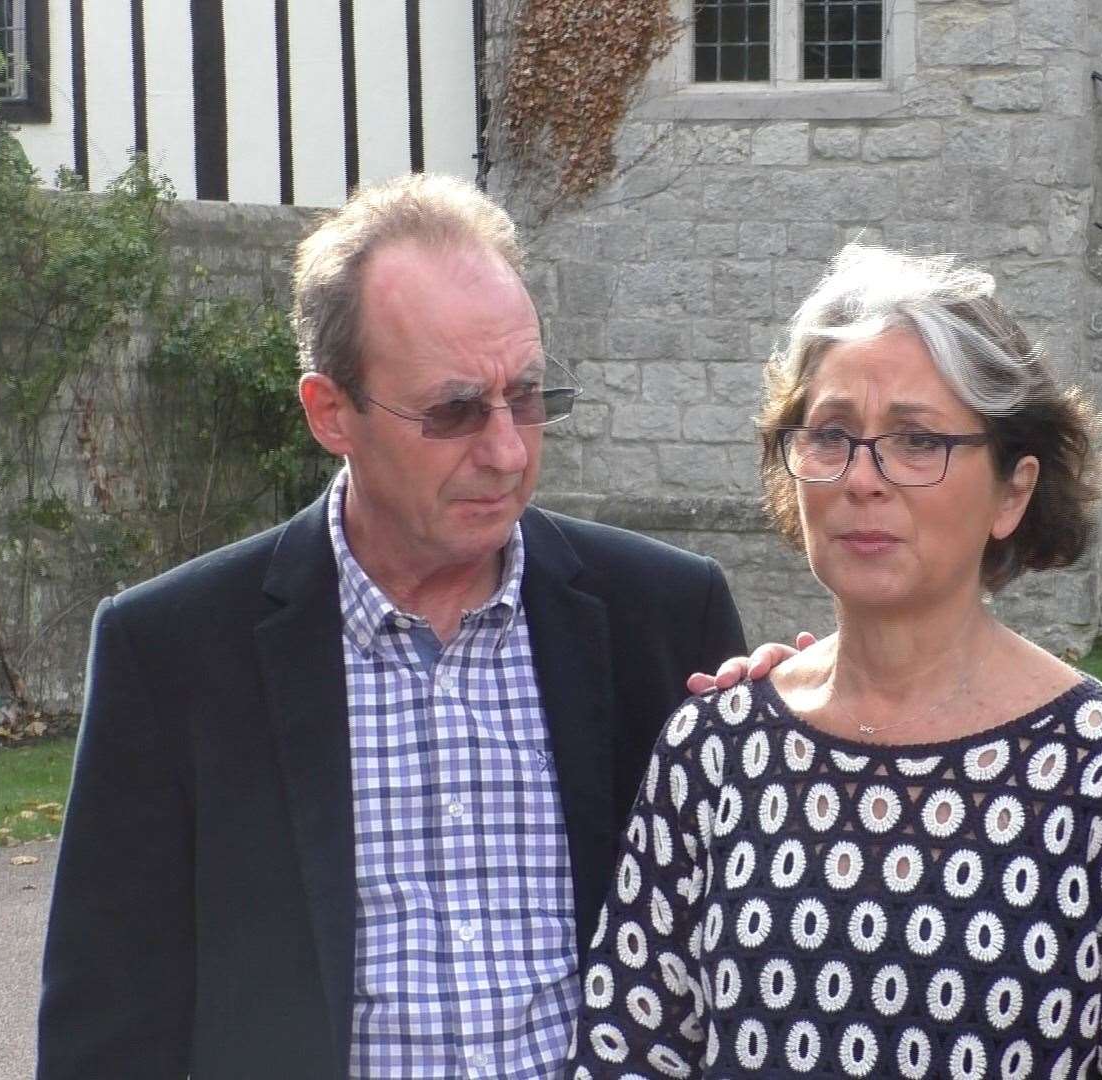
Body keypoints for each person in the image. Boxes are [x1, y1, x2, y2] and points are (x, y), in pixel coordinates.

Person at [36, 174, 747, 1079]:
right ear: (331, 413)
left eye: (526, 398)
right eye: (452, 412)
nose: (505, 450)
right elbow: (108, 1026)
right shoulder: (172, 653)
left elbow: (746, 963)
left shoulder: (664, 617)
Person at [572, 245, 1102, 1079]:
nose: (864, 478)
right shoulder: (714, 753)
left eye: (916, 440)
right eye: (831, 436)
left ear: (1013, 490)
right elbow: (626, 1052)